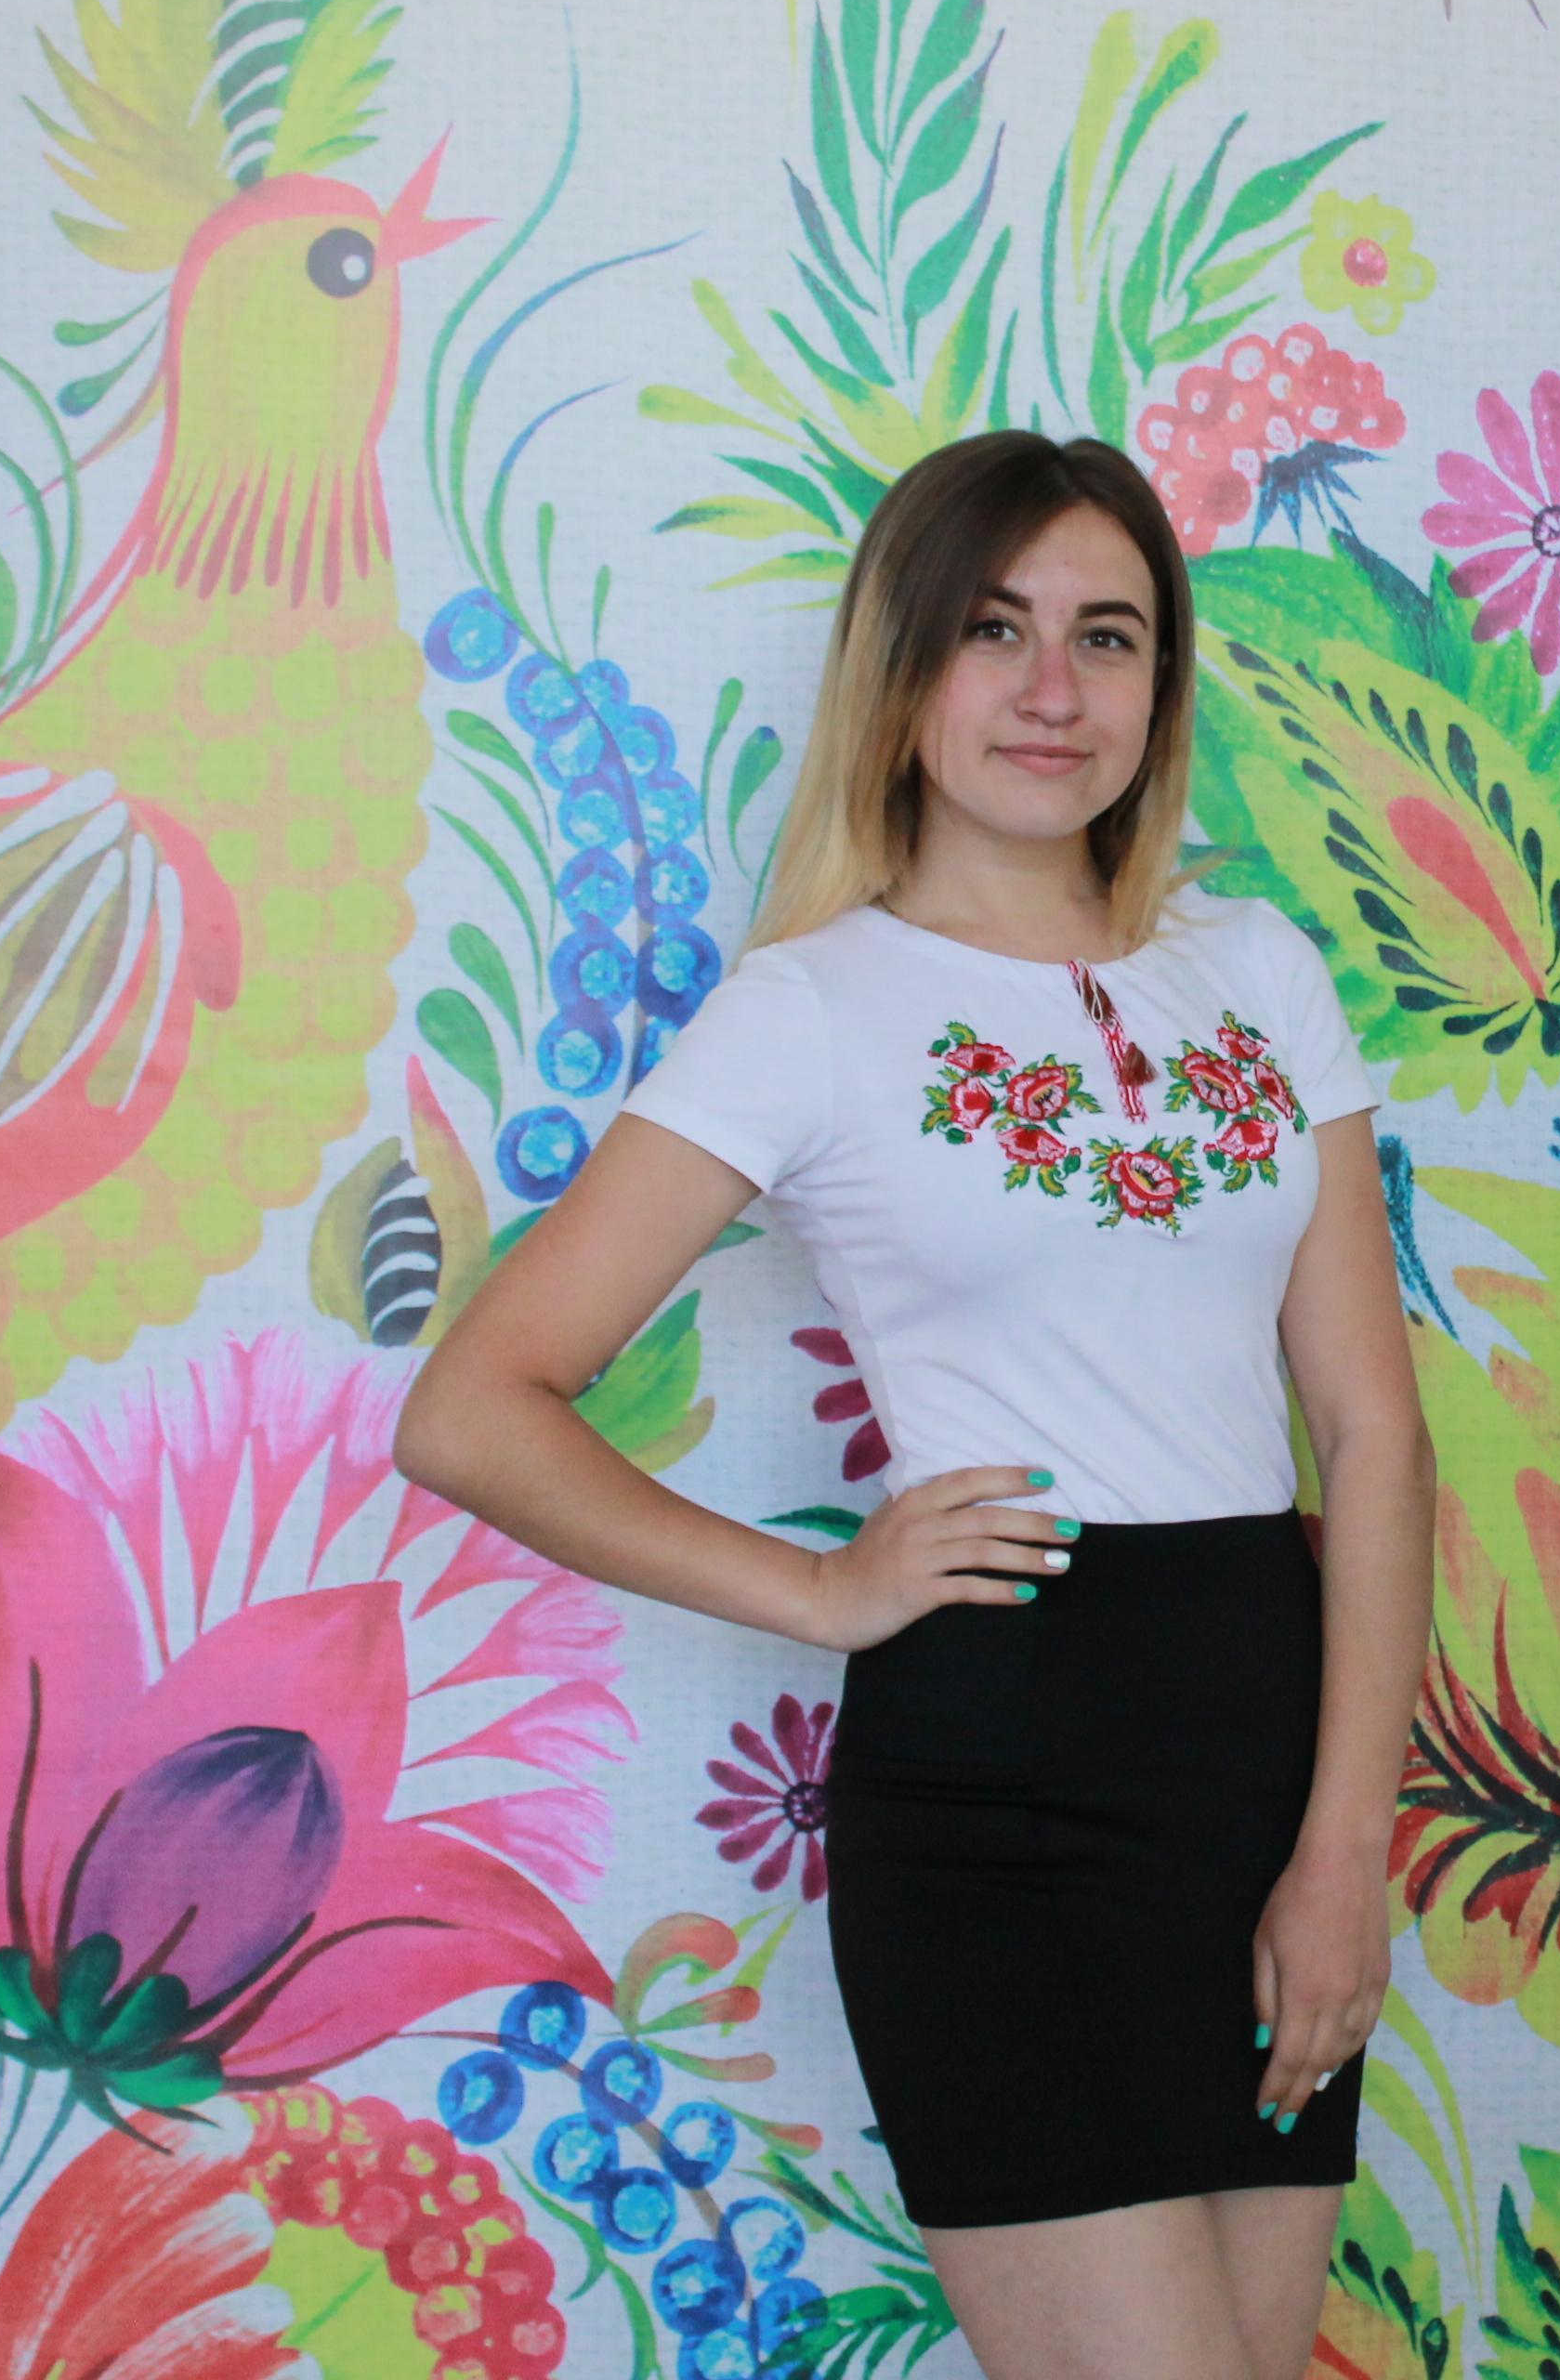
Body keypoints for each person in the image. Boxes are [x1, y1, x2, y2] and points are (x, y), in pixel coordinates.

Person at [396, 428, 1436, 2380]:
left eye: (1107, 635)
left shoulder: (1258, 967)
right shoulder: (810, 1009)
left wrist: (1343, 1857)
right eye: (993, 628)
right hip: (1001, 1777)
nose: (1054, 688)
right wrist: (818, 1590)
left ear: (1160, 681)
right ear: (904, 665)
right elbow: (474, 1406)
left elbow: (1376, 1440)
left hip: (1259, 1760)